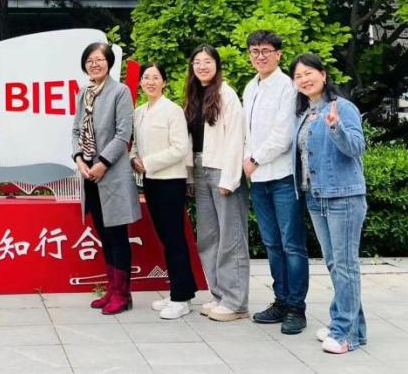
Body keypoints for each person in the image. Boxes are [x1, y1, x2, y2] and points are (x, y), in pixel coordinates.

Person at [290, 53, 368, 355]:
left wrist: (336, 128)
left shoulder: (342, 107)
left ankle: (345, 333)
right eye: (298, 76)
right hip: (316, 196)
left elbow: (357, 147)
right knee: (336, 264)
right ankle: (351, 326)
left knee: (345, 265)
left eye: (309, 73)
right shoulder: (305, 113)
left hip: (343, 196)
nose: (304, 80)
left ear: (323, 74)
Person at [241, 31, 307, 335]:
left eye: (266, 50)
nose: (260, 56)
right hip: (258, 180)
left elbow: (284, 135)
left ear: (279, 54)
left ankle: (296, 307)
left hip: (282, 177)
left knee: (292, 244)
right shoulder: (249, 87)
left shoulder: (288, 87)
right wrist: (246, 161)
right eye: (255, 51)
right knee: (272, 243)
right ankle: (281, 300)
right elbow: (246, 133)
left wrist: (254, 159)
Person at [72, 42, 141, 316]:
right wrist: (79, 158)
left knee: (117, 235)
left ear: (109, 63)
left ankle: (122, 294)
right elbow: (76, 130)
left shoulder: (120, 92)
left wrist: (102, 163)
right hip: (89, 175)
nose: (94, 64)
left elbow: (124, 134)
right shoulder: (84, 93)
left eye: (99, 59)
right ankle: (112, 290)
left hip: (111, 174)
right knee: (103, 234)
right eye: (90, 60)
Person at [185, 44, 249, 322]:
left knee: (230, 238)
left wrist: (230, 178)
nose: (202, 66)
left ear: (217, 65)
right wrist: (190, 176)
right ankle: (219, 294)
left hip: (223, 170)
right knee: (209, 237)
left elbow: (236, 138)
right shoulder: (193, 95)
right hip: (201, 169)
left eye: (207, 61)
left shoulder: (227, 94)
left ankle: (236, 302)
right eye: (197, 62)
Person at [130, 62, 197, 320]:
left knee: (175, 239)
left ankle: (181, 299)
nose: (150, 82)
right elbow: (135, 145)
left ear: (164, 82)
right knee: (166, 239)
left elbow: (180, 148)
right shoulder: (139, 112)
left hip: (171, 181)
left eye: (156, 77)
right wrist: (135, 159)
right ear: (141, 82)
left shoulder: (173, 111)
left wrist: (148, 162)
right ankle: (180, 290)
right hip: (150, 181)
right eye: (146, 77)